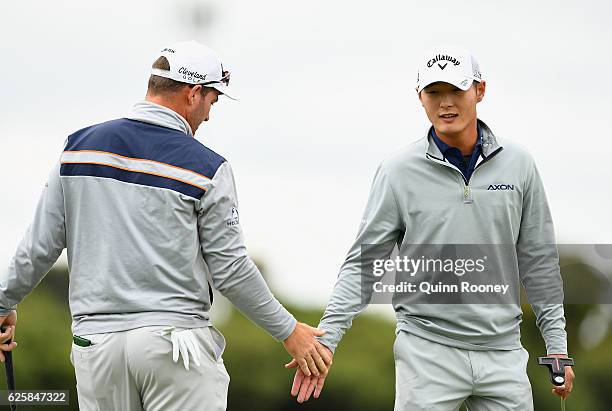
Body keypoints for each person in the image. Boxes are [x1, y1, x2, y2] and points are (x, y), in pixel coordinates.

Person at [0, 40, 331, 411]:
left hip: (96, 348)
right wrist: (289, 331)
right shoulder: (207, 167)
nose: (208, 115)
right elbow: (231, 269)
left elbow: (39, 246)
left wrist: (2, 303)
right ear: (193, 94)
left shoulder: (77, 148)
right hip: (176, 347)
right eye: (212, 101)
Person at [287, 46, 575, 410]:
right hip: (426, 350)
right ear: (420, 98)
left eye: (456, 91)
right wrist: (327, 340)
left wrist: (557, 347)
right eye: (434, 93)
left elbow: (539, 262)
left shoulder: (519, 165)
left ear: (480, 91)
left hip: (502, 351)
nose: (445, 104)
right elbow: (364, 264)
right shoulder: (398, 171)